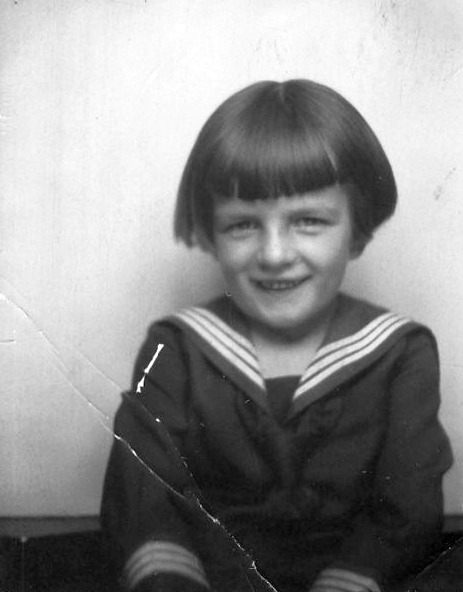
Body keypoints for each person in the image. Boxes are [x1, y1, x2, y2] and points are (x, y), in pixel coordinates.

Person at [101, 79, 453, 592]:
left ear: (356, 232)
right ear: (209, 235)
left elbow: (408, 506)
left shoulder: (400, 352)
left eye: (308, 221)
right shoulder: (175, 348)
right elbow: (145, 498)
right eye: (242, 225)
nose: (273, 254)